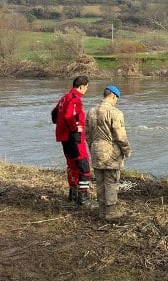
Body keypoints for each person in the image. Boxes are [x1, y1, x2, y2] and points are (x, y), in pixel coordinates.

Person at [85, 85, 132, 221]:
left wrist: (92, 147)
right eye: (117, 98)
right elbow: (120, 136)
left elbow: (87, 134)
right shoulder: (115, 113)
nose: (117, 101)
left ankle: (101, 210)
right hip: (111, 151)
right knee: (111, 181)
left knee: (100, 181)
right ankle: (110, 212)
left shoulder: (91, 111)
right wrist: (127, 150)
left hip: (96, 149)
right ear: (113, 96)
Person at [52, 75, 92, 206]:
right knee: (84, 166)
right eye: (86, 87)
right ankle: (83, 198)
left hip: (64, 138)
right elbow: (69, 116)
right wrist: (76, 128)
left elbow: (54, 114)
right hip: (74, 138)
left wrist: (62, 125)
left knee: (72, 165)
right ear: (82, 86)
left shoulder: (64, 97)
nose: (86, 90)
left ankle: (73, 194)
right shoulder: (75, 99)